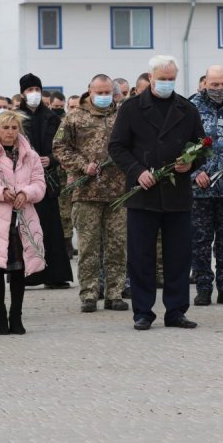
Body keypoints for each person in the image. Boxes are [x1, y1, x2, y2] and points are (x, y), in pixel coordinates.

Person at [109, 55, 205, 331]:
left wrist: (192, 163)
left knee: (178, 256)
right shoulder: (131, 109)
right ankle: (143, 311)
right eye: (161, 78)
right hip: (143, 192)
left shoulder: (187, 109)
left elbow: (201, 146)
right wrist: (137, 171)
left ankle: (176, 311)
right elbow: (117, 147)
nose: (166, 83)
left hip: (177, 194)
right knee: (141, 256)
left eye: (170, 79)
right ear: (150, 78)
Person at [54, 74, 128, 313]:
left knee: (117, 246)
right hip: (86, 192)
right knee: (88, 246)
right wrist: (81, 164)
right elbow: (59, 146)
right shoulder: (75, 117)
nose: (104, 96)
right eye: (99, 92)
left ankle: (114, 293)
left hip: (118, 193)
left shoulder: (123, 116)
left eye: (108, 92)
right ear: (90, 91)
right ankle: (89, 293)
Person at [0, 110, 46, 334]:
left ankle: (16, 315)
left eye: (14, 128)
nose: (10, 132)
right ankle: (0, 315)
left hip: (23, 219)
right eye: (5, 128)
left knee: (19, 270)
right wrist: (0, 191)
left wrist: (26, 193)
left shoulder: (30, 155)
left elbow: (39, 184)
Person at [190, 65, 223, 307]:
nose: (220, 89)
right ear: (205, 84)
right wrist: (195, 171)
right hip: (200, 189)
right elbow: (180, 143)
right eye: (215, 85)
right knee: (200, 241)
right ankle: (203, 287)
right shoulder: (191, 107)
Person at [18, 73, 74, 288]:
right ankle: (29, 274)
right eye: (29, 90)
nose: (34, 94)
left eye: (37, 90)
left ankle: (55, 275)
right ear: (23, 93)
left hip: (47, 180)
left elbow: (63, 147)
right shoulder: (16, 118)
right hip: (23, 179)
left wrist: (50, 159)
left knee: (51, 226)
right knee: (26, 226)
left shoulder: (52, 118)